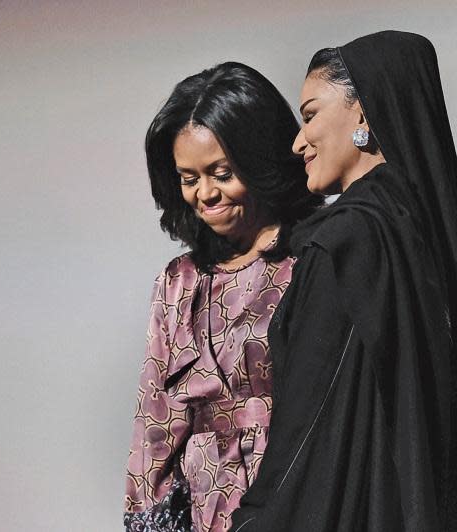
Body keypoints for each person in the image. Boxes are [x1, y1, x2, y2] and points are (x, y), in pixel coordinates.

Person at [230, 31, 457, 531]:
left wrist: (255, 519)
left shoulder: (346, 243)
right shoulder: (413, 230)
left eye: (310, 115)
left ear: (362, 112)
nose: (298, 142)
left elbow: (308, 422)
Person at [123, 62, 321, 532]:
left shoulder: (313, 260)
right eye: (189, 179)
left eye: (222, 172)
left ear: (262, 161)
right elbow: (154, 424)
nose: (205, 194)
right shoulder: (178, 283)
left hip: (303, 498)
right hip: (205, 513)